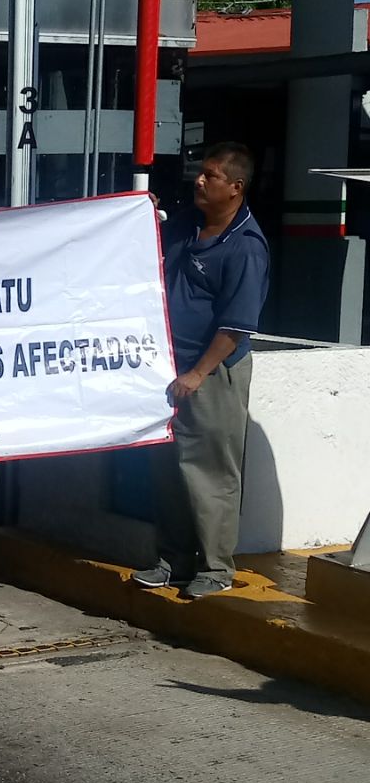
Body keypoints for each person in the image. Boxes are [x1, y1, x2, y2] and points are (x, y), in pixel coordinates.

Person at [133, 142, 270, 599]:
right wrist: (142, 213)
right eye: (201, 172)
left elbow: (235, 325)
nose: (200, 180)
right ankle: (173, 559)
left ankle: (215, 568)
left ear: (236, 187)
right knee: (168, 469)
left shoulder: (245, 247)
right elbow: (151, 243)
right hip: (169, 369)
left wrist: (197, 374)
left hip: (210, 375)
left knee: (210, 473)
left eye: (211, 175)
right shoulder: (189, 225)